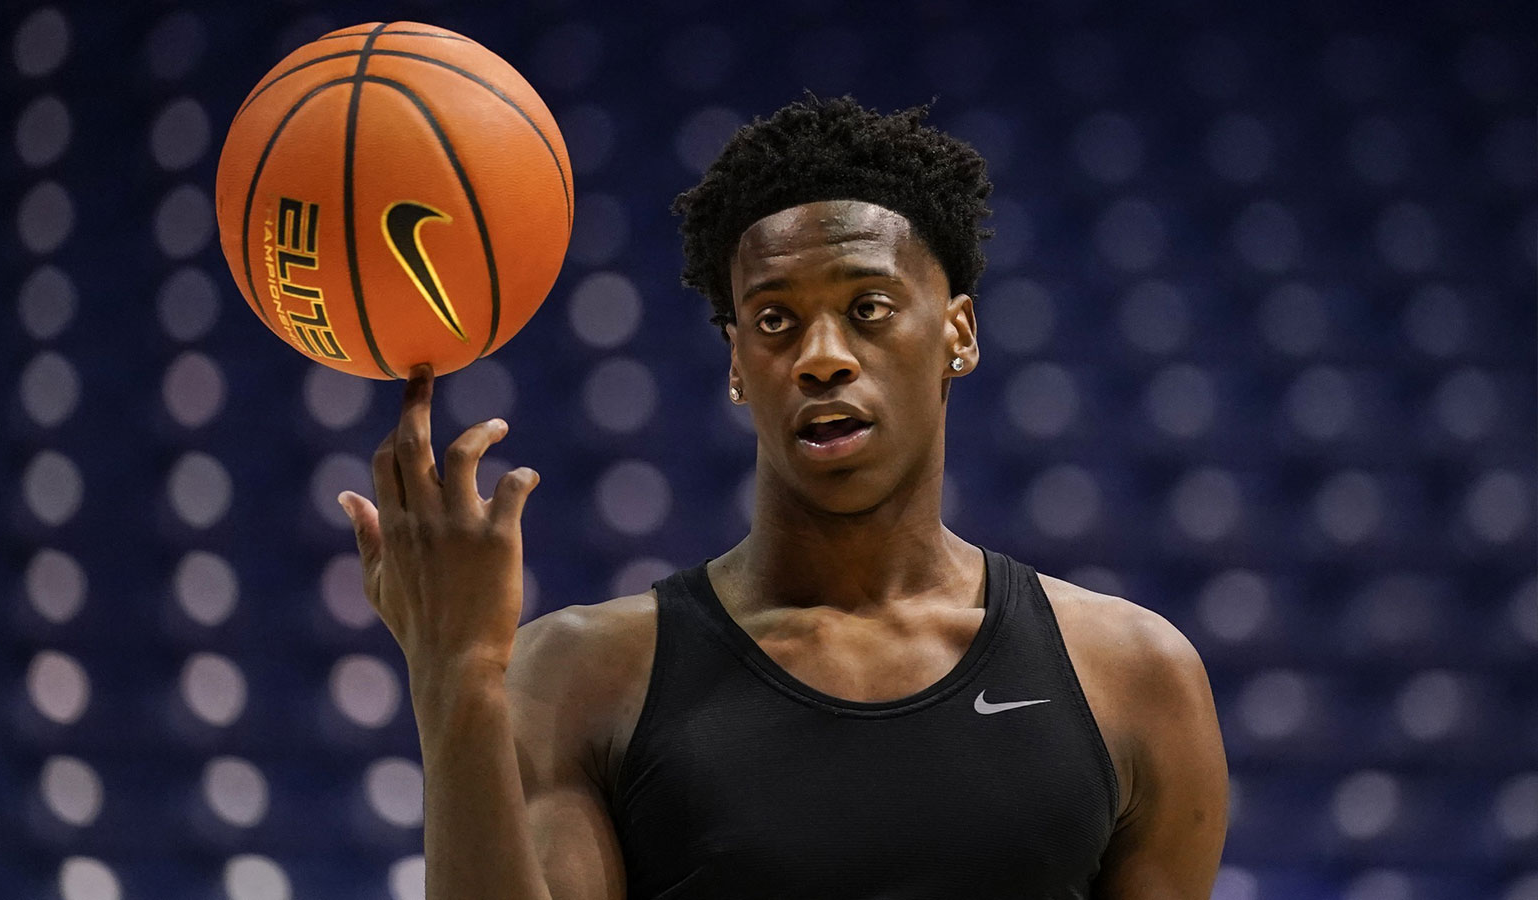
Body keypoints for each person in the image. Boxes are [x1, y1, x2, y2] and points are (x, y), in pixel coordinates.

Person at [337, 95, 1228, 900]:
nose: (821, 355)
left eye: (869, 307)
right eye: (774, 320)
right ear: (736, 363)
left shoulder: (1134, 678)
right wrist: (454, 675)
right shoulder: (583, 675)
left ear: (957, 331)